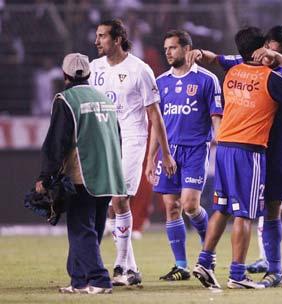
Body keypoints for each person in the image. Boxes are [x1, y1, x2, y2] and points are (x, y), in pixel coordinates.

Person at [191, 26, 282, 290]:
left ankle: (205, 261)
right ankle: (237, 274)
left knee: (221, 208)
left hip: (224, 148)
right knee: (244, 214)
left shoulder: (232, 72)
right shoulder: (269, 77)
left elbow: (220, 59)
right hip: (248, 151)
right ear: (260, 49)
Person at [90, 19, 176, 286]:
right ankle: (131, 268)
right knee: (112, 204)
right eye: (97, 35)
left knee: (120, 200)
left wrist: (164, 153)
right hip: (105, 139)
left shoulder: (140, 70)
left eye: (102, 36)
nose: (97, 41)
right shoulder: (94, 69)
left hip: (132, 138)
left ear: (118, 39)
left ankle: (120, 267)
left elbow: (155, 114)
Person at [36, 53, 126, 294]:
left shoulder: (65, 100)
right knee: (93, 229)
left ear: (65, 75)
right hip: (109, 174)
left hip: (82, 174)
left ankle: (98, 279)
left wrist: (45, 176)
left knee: (80, 229)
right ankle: (79, 279)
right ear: (88, 74)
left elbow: (57, 141)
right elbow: (117, 136)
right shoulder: (104, 98)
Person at [145, 30, 222, 281]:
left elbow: (215, 116)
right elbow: (158, 124)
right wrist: (151, 158)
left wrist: (219, 141)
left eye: (173, 48)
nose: (168, 52)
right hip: (169, 153)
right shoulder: (161, 81)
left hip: (195, 150)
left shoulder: (207, 80)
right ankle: (181, 265)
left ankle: (207, 251)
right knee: (171, 207)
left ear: (188, 49)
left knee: (190, 205)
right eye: (166, 48)